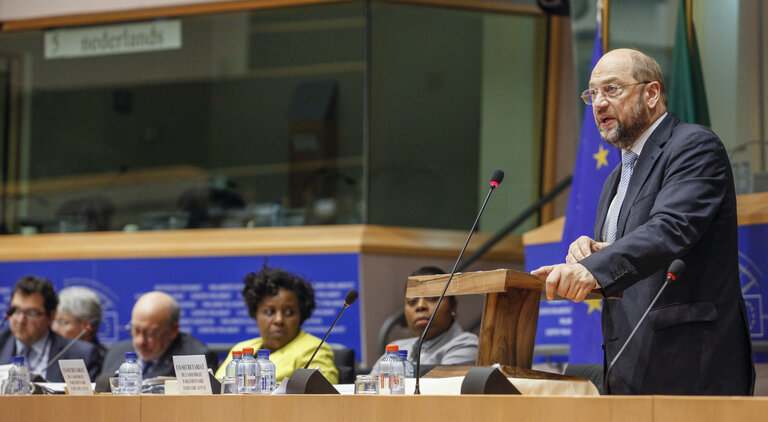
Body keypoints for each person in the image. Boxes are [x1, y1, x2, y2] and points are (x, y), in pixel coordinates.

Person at [532, 48, 754, 395]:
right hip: (628, 364)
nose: (599, 103)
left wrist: (595, 269)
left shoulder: (693, 146)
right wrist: (591, 256)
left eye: (612, 89)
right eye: (593, 94)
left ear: (651, 93)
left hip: (690, 366)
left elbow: (671, 229)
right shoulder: (615, 179)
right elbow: (630, 262)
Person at [215, 266, 339, 384]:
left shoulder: (314, 349)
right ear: (256, 314)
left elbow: (323, 399)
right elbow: (215, 390)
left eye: (289, 312)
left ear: (301, 315)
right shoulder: (241, 348)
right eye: (269, 312)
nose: (278, 320)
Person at [370, 266, 478, 375]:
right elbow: (370, 387)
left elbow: (442, 386)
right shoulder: (397, 348)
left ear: (453, 305)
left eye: (432, 299)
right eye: (412, 301)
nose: (420, 306)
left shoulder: (467, 344)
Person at [98, 291, 217, 382]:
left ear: (173, 330)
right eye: (136, 330)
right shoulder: (116, 352)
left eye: (150, 334)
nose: (140, 341)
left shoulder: (195, 358)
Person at [0, 275, 101, 382]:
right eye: (15, 310)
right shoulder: (2, 343)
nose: (20, 320)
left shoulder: (79, 355)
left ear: (51, 316)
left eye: (31, 313)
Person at [52, 286, 107, 369]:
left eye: (62, 322)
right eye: (53, 322)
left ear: (86, 326)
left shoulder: (102, 361)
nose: (54, 328)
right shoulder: (50, 356)